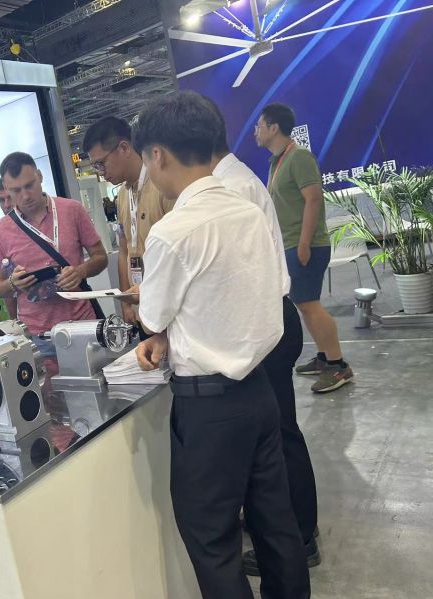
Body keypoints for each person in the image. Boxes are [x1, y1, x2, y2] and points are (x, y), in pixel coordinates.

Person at [131, 91, 310, 598]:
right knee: (275, 522)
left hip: (208, 407)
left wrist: (160, 332)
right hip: (258, 390)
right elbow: (272, 289)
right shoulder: (249, 211)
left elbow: (153, 316)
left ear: (157, 156)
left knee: (213, 540)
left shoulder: (172, 232)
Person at [208, 97, 320, 572]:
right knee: (277, 432)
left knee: (279, 435)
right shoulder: (239, 178)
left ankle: (301, 536)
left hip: (266, 323)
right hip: (269, 319)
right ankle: (296, 529)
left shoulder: (230, 188)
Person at [255, 102, 352, 393]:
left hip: (305, 244)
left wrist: (305, 244)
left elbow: (313, 199)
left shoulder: (299, 157)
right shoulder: (276, 162)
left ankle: (338, 366)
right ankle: (324, 357)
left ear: (274, 127)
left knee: (310, 305)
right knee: (305, 305)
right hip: (291, 244)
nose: (255, 131)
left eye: (259, 125)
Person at [0, 152, 108, 350]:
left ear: (40, 176)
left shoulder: (72, 210)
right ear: (7, 190)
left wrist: (80, 272)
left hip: (82, 323)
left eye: (29, 185)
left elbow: (101, 257)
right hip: (37, 334)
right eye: (16, 190)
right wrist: (12, 283)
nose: (25, 196)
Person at [84, 116, 175, 334]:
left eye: (101, 163)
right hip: (142, 306)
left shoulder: (163, 186)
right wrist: (126, 302)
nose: (100, 172)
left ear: (124, 148)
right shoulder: (123, 195)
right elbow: (124, 248)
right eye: (95, 166)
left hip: (169, 306)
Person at [0, 178, 17, 319]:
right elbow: (0, 284)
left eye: (10, 198)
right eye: (1, 200)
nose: (7, 205)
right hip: (24, 312)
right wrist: (15, 322)